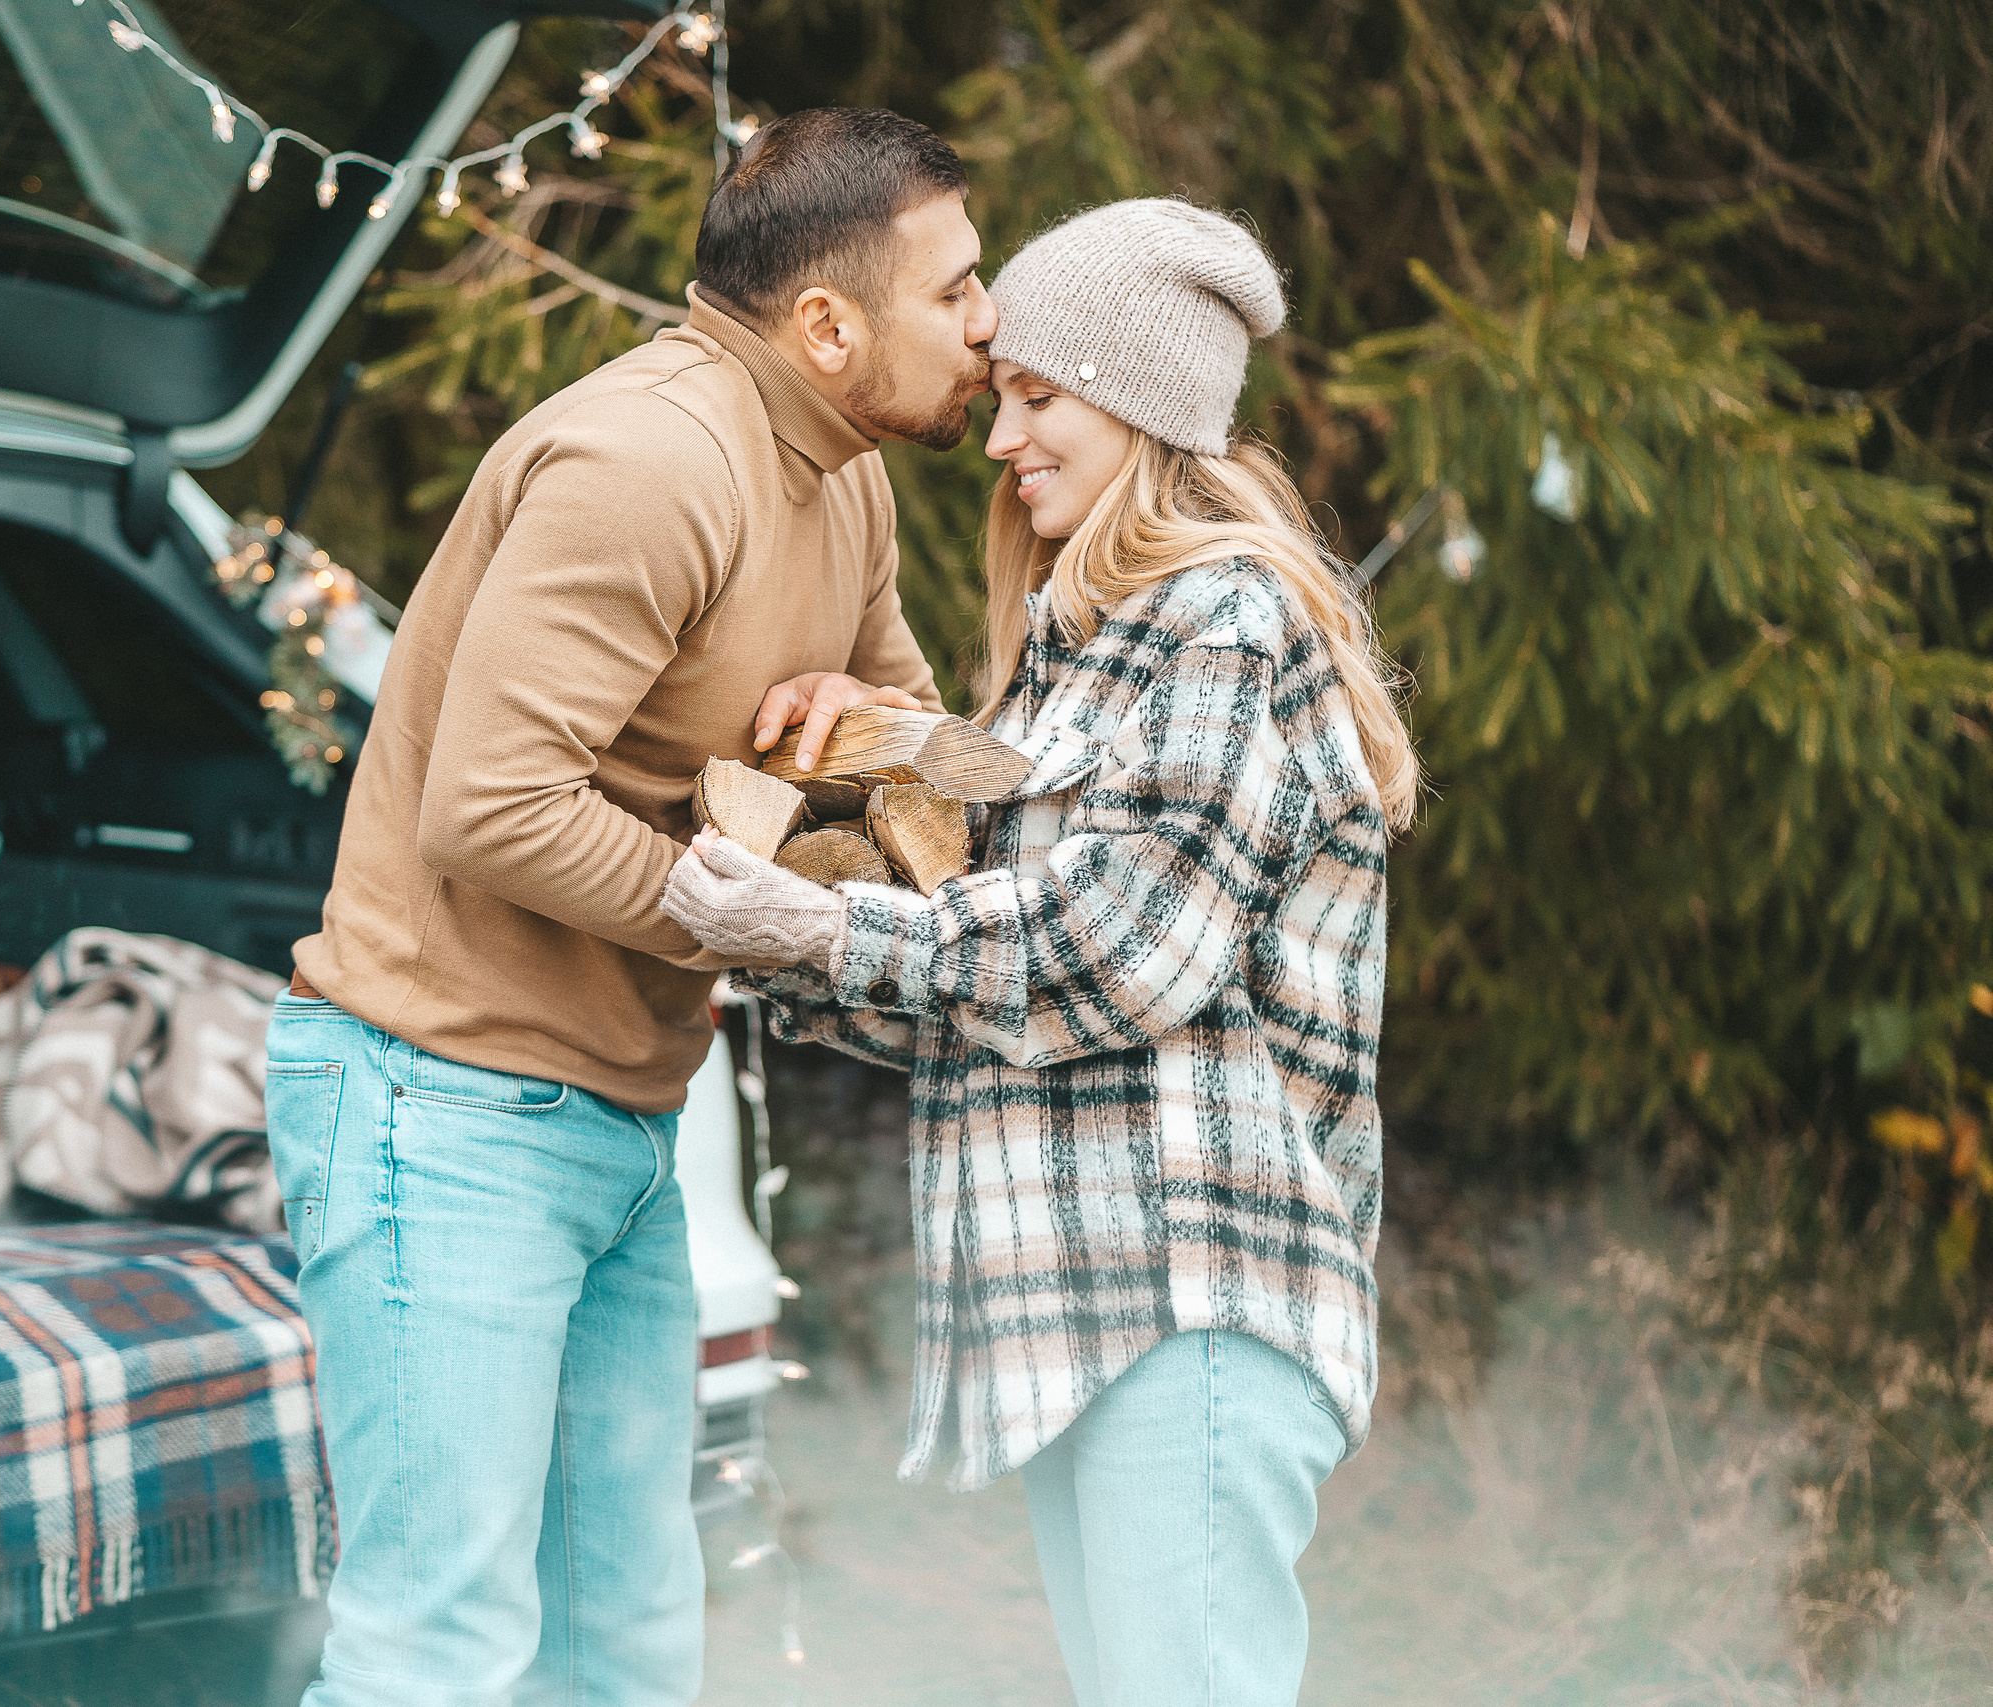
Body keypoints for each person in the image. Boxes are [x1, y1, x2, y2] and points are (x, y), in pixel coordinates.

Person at [267, 108, 995, 1707]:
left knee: (624, 1649)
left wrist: (864, 752)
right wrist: (741, 912)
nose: (989, 324)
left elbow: (908, 769)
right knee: (436, 1650)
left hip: (620, 1120)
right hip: (437, 1104)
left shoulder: (846, 482)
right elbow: (490, 807)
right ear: (827, 323)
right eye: (958, 287)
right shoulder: (648, 463)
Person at [660, 197, 1422, 1707]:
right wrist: (857, 798)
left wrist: (817, 927)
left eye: (1037, 397)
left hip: (1193, 1298)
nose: (1000, 438)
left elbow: (1119, 954)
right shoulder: (1089, 648)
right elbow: (985, 976)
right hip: (1095, 1304)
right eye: (1000, 393)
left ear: (1138, 405)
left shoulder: (1227, 622)